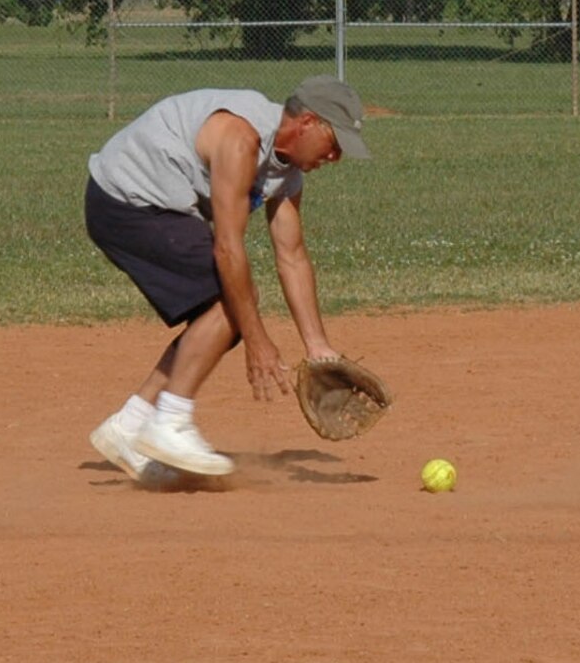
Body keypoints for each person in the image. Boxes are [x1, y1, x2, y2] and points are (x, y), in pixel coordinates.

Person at [83, 75, 370, 481]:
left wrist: (318, 347)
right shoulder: (241, 137)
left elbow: (291, 256)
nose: (335, 157)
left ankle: (129, 427)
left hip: (153, 207)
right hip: (125, 200)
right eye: (334, 142)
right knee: (233, 302)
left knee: (224, 314)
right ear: (307, 123)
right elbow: (227, 250)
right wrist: (258, 343)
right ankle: (170, 421)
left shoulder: (287, 175)